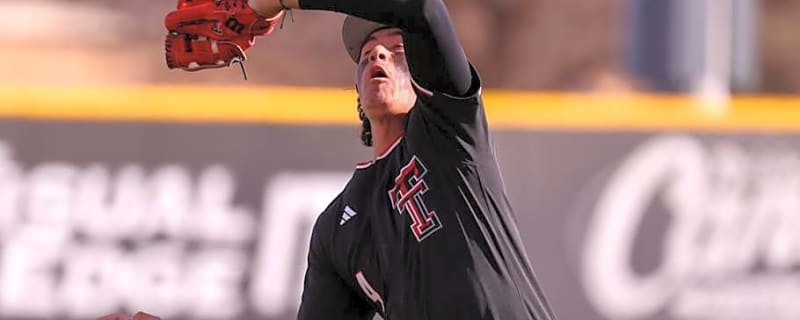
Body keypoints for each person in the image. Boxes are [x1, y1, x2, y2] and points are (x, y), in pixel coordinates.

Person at [165, 0, 558, 319]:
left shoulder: (452, 133)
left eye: (397, 51)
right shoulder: (336, 228)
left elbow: (423, 8)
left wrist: (274, 2)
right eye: (367, 54)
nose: (378, 55)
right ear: (355, 86)